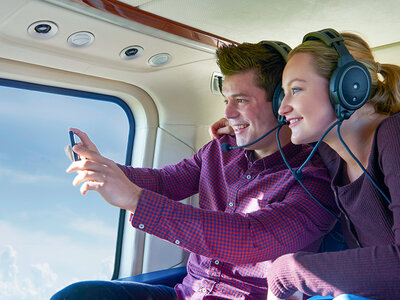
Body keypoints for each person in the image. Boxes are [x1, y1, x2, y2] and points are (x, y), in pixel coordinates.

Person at [51, 41, 338, 300]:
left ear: (280, 104)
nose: (228, 113)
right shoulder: (219, 150)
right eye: (226, 100)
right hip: (187, 292)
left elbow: (250, 238)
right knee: (77, 295)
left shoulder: (316, 179)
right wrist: (105, 170)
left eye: (241, 100)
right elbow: (165, 183)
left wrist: (136, 200)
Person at [210, 29, 400, 300]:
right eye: (282, 95)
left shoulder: (395, 135)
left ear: (349, 87)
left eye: (296, 90)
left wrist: (287, 271)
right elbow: (278, 133)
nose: (282, 107)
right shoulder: (330, 151)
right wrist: (240, 125)